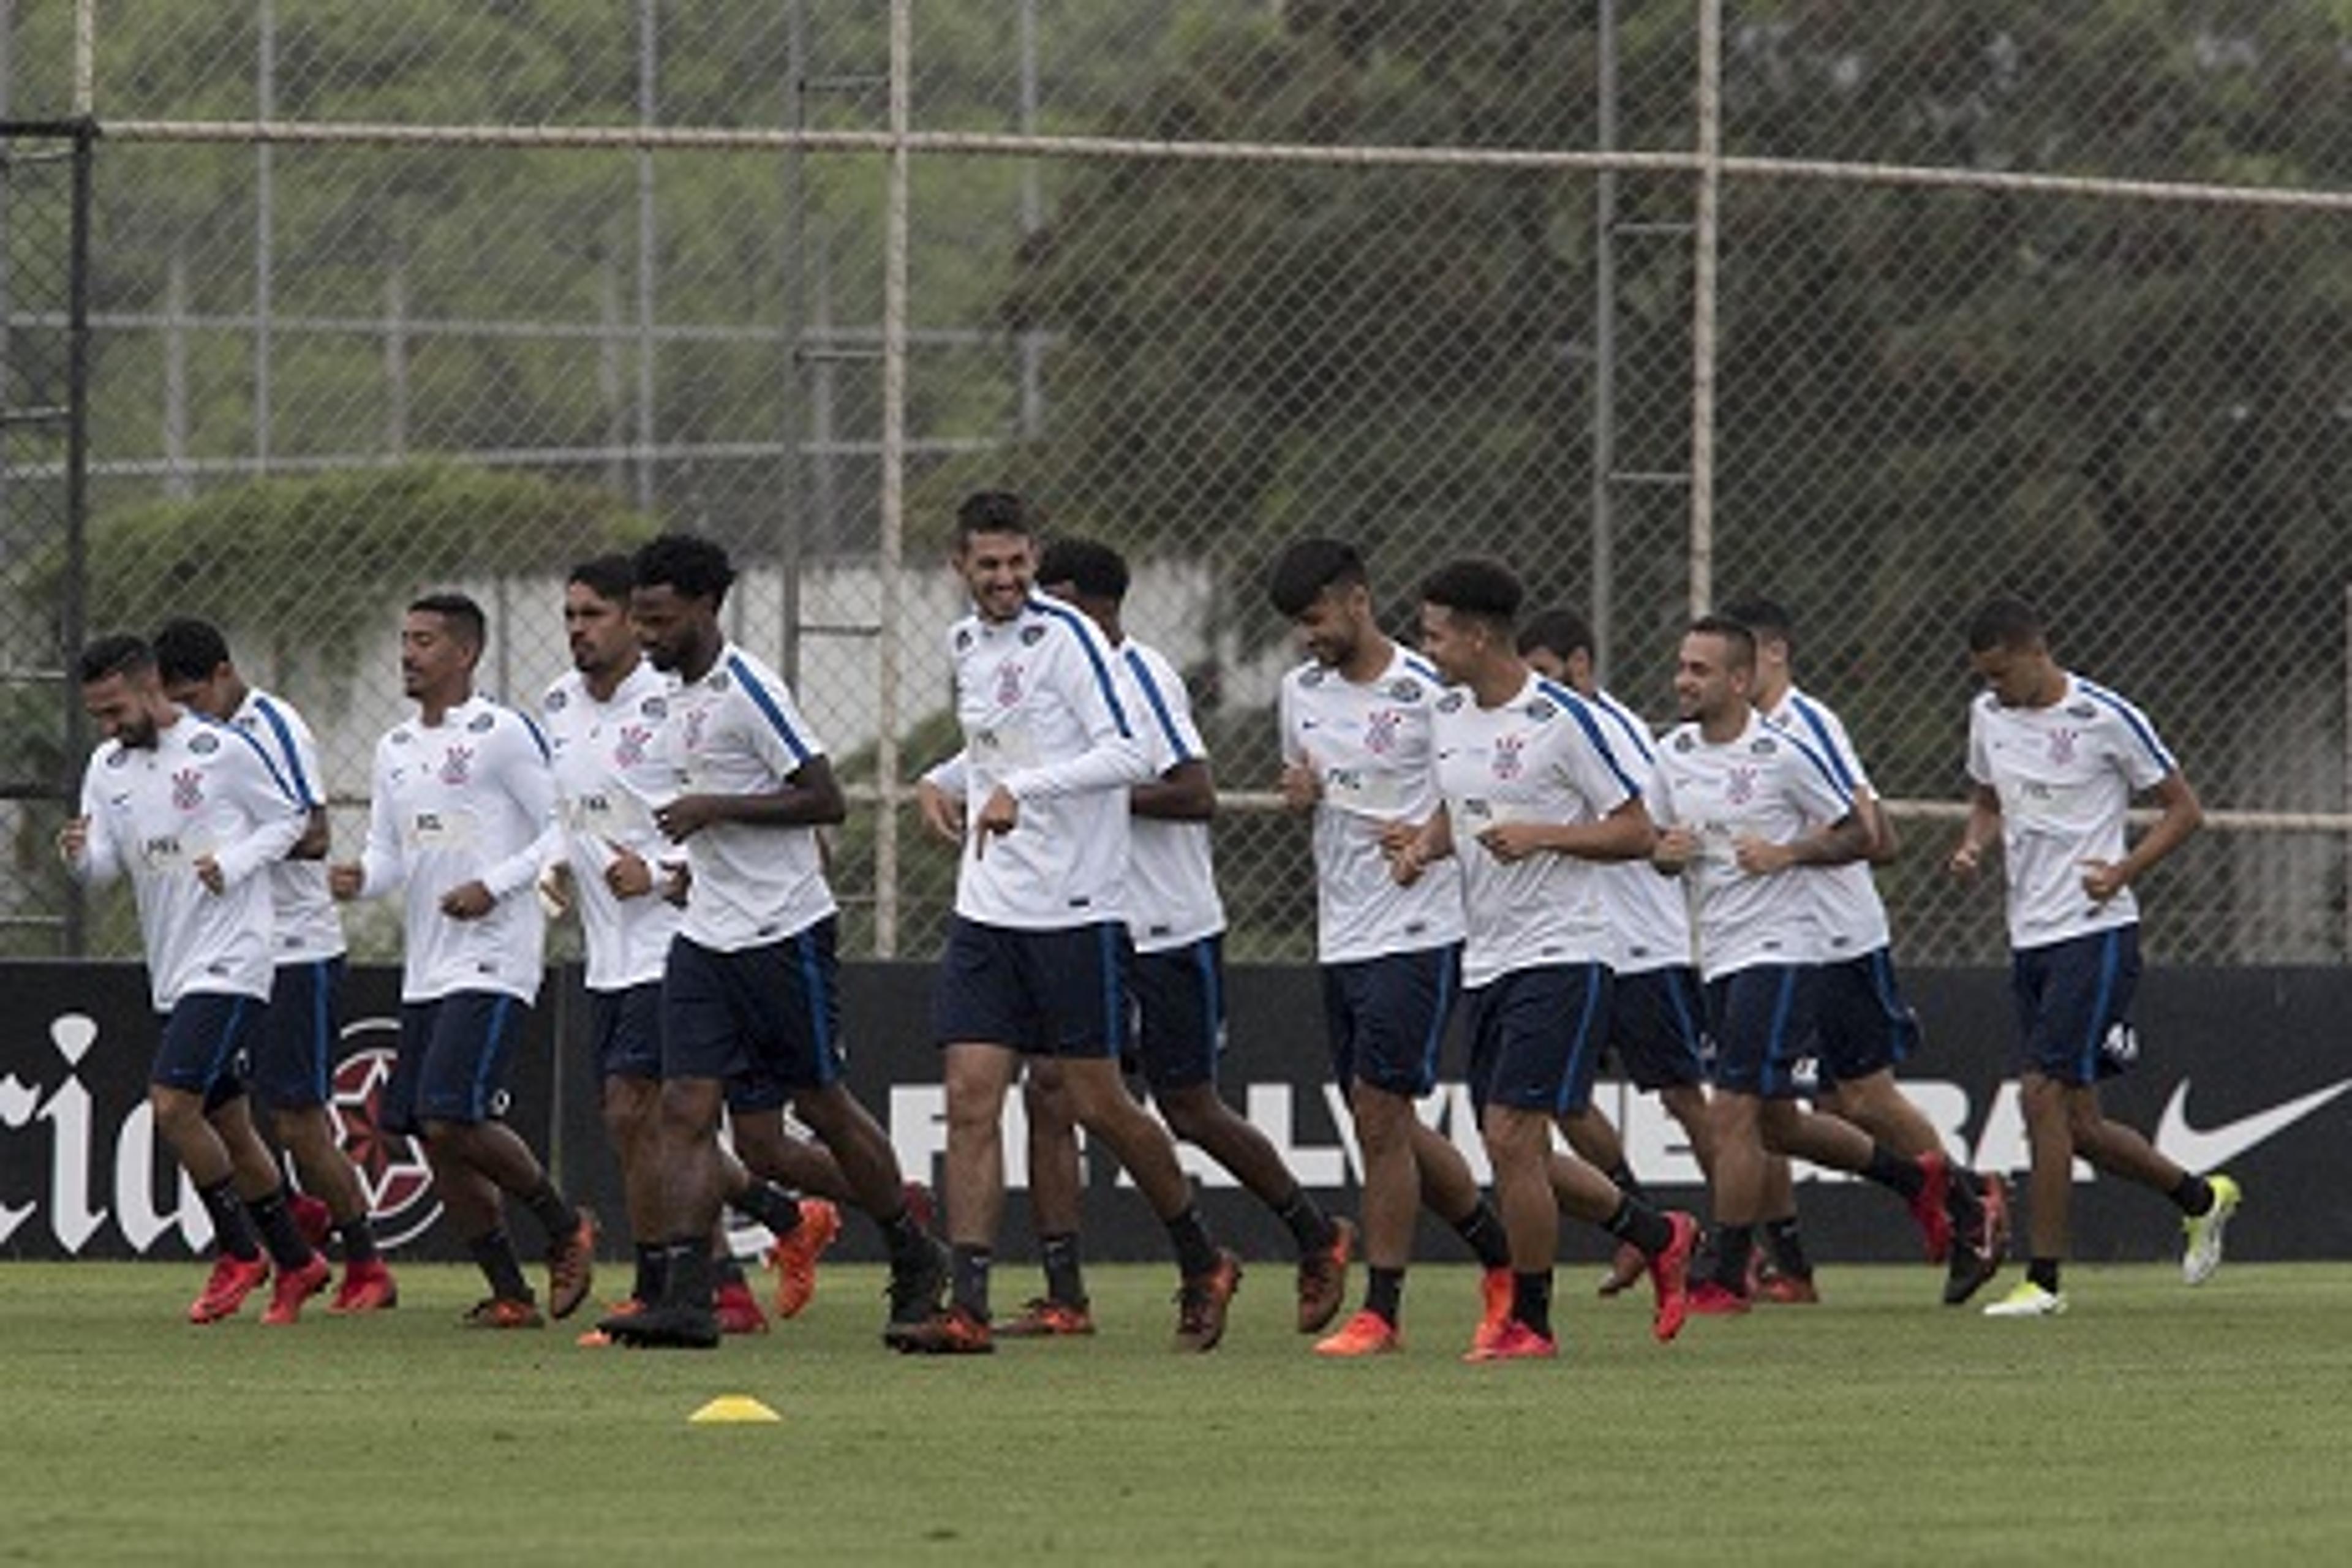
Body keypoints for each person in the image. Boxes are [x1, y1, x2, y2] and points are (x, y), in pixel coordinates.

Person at [981, 537, 1354, 1340]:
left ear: (1099, 608)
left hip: (1166, 927)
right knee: (1051, 1089)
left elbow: (1194, 792)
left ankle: (1314, 1234)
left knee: (1188, 1106)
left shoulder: (1136, 675)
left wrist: (1085, 798)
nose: (1036, 616)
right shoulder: (1042, 684)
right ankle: (1065, 1295)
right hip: (1083, 918)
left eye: (1055, 600)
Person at [901, 492, 1241, 1355]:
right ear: (960, 567)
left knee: (1099, 1103)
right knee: (970, 1097)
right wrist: (943, 780)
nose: (1007, 580)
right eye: (990, 566)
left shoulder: (1075, 639)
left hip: (1076, 909)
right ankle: (968, 1305)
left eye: (1019, 563)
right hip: (988, 907)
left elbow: (1126, 753)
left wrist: (1026, 793)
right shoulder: (965, 642)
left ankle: (1202, 1259)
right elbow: (1003, 745)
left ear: (1033, 557)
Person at [594, 533, 944, 1349]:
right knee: (684, 1106)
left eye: (659, 618)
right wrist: (687, 861)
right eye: (638, 619)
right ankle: (688, 1295)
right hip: (706, 933)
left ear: (706, 607)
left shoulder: (747, 687)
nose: (645, 635)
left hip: (782, 930)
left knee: (818, 1106)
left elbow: (826, 799)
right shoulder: (668, 697)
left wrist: (716, 808)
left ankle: (913, 1253)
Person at [538, 556, 844, 1345]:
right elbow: (577, 812)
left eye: (596, 615)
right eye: (571, 615)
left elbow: (725, 814)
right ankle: (759, 1244)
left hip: (677, 939)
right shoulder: (557, 706)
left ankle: (660, 1288)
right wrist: (555, 862)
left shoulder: (676, 702)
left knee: (642, 1112)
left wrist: (669, 874)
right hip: (609, 948)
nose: (583, 630)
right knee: (660, 1127)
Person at [1398, 562, 1697, 1359]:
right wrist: (1425, 847)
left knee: (1509, 1135)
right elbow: (1454, 806)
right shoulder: (1448, 713)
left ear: (1478, 634)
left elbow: (1638, 832)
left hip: (1565, 952)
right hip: (1486, 958)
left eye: (1434, 633)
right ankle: (1657, 1231)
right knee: (1517, 1147)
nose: (1426, 649)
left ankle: (1529, 1321)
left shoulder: (1563, 719)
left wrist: (1543, 835)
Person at [1650, 617, 1990, 1313]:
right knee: (1777, 1122)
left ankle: (1727, 1268)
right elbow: (1654, 841)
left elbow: (1866, 834)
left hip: (1787, 948)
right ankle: (1931, 1185)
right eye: (1682, 667)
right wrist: (1665, 851)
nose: (1684, 680)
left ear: (1743, 678)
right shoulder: (1671, 752)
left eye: (1700, 669)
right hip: (1714, 951)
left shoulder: (1790, 745)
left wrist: (1788, 853)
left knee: (1738, 1109)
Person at [1950, 597, 2239, 1317]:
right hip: (2031, 935)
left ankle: (2043, 1282)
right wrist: (1973, 844)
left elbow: (2185, 809)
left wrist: (2122, 870)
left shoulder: (2106, 716)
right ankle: (2201, 1196)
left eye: (1999, 673)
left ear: (2035, 652)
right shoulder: (1989, 716)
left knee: (2038, 1094)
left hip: (2096, 930)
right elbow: (1987, 797)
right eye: (1982, 677)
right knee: (2080, 1124)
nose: (1993, 689)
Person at [1266, 538, 1517, 1359]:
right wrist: (1299, 797)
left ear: (1358, 601)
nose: (1310, 637)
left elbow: (1471, 795)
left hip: (1420, 926)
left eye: (1316, 619)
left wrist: (1428, 846)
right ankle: (1499, 1254)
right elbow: (1311, 795)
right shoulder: (1298, 693)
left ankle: (1382, 1311)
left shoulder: (1427, 694)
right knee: (1387, 1122)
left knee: (1379, 1113)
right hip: (1342, 932)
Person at [328, 594, 597, 1329]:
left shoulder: (503, 734)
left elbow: (560, 828)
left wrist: (497, 886)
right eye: (405, 639)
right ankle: (509, 1291)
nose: (408, 654)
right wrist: (359, 879)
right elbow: (390, 853)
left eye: (424, 641)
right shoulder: (393, 748)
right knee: (423, 1125)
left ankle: (564, 1222)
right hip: (428, 966)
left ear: (465, 653)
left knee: (451, 1114)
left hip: (494, 954)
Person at [61, 634, 330, 1324]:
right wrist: (78, 856)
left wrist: (236, 863)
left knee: (173, 1105)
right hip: (172, 965)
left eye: (115, 708)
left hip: (234, 957)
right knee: (232, 1127)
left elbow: (293, 820)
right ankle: (299, 1261)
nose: (108, 726)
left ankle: (240, 1252)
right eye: (97, 714)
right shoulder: (107, 766)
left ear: (150, 687)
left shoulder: (222, 750)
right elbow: (103, 872)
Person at [149, 618, 400, 1315]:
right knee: (216, 1107)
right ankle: (293, 1231)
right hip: (222, 952)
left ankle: (366, 1259)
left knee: (297, 1121)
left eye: (197, 696)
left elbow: (313, 831)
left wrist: (234, 848)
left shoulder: (272, 725)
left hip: (295, 946)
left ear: (225, 674)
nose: (190, 714)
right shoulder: (186, 744)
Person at [1516, 608, 1719, 1299]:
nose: (1534, 686)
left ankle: (1731, 1245)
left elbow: (1653, 827)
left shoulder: (1614, 729)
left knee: (1684, 1096)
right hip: (1579, 944)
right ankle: (1642, 1224)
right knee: (1565, 1103)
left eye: (1545, 671)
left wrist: (1666, 847)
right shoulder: (1531, 727)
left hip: (1643, 945)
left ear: (1580, 665)